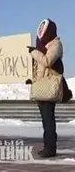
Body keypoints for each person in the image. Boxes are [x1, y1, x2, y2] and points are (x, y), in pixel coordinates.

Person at [26, 18, 64, 158]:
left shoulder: (55, 44)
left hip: (49, 86)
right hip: (40, 86)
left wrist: (34, 52)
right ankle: (47, 146)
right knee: (45, 120)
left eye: (44, 27)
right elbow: (38, 68)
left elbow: (47, 61)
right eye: (40, 27)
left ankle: (51, 148)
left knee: (48, 119)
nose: (41, 30)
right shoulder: (41, 46)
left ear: (50, 29)